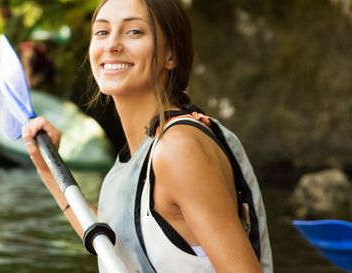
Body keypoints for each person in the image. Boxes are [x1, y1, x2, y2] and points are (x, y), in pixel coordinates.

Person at [21, 0, 273, 272]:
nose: (112, 45)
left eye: (134, 32)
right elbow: (115, 245)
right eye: (102, 32)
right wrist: (49, 170)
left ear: (171, 55)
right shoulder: (142, 153)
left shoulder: (178, 148)